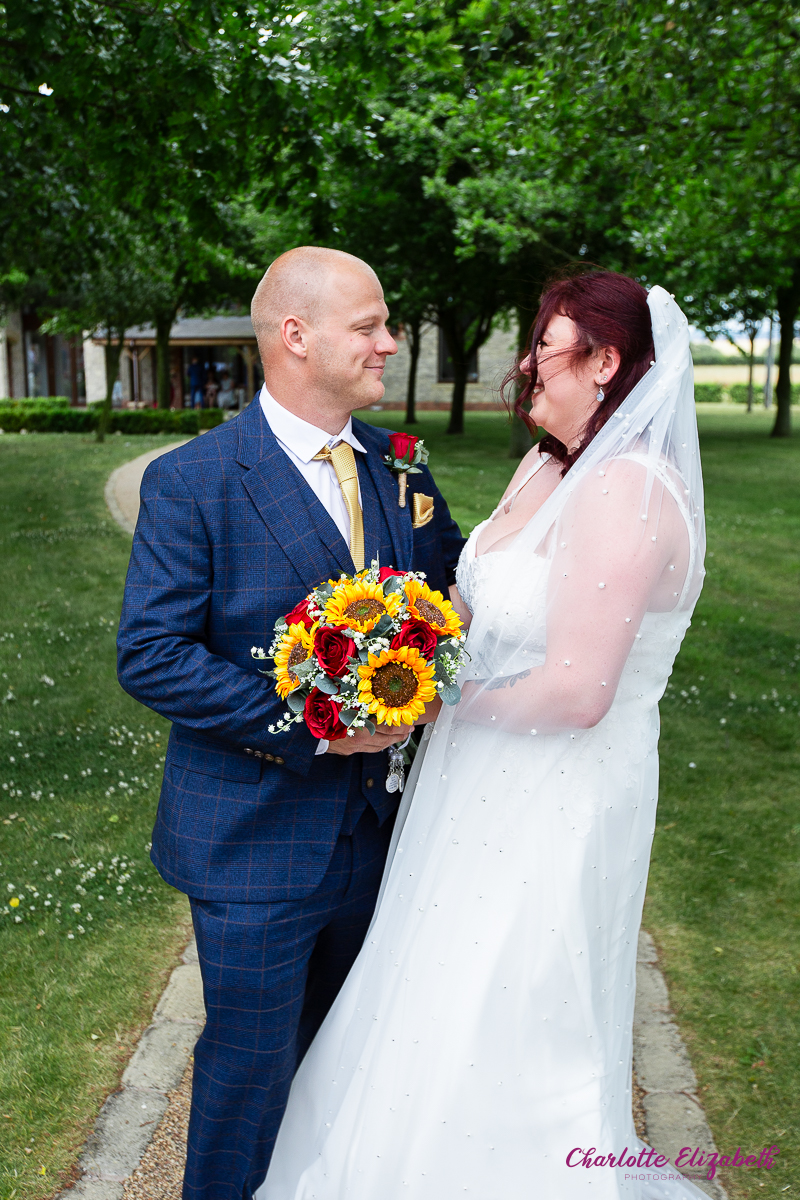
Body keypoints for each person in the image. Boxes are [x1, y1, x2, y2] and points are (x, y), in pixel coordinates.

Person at [260, 273, 709, 1199]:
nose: (527, 366)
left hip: (557, 796)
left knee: (511, 992)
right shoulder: (547, 466)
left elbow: (579, 692)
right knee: (432, 981)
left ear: (606, 362)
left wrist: (431, 702)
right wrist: (390, 647)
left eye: (546, 347)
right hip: (474, 786)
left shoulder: (626, 489)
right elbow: (469, 607)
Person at [116, 246, 466, 1200]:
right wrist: (312, 725)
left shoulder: (400, 463)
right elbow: (151, 653)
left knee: (351, 1065)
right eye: (371, 326)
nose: (390, 343)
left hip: (384, 835)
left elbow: (451, 587)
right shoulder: (196, 479)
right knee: (250, 1073)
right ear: (297, 336)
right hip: (255, 843)